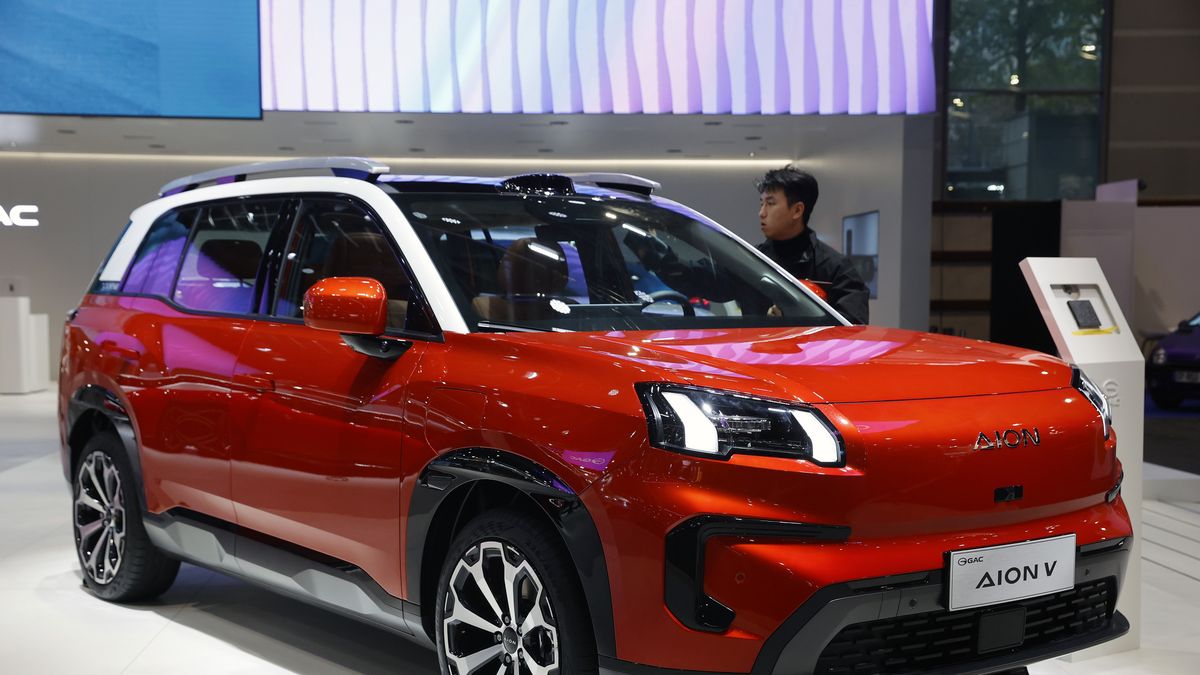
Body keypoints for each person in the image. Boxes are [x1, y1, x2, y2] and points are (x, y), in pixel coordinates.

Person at [755, 165, 870, 324]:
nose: (762, 212)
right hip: (754, 349)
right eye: (761, 203)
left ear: (797, 210)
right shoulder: (751, 260)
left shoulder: (836, 268)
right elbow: (717, 288)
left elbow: (853, 327)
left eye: (771, 203)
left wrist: (796, 316)